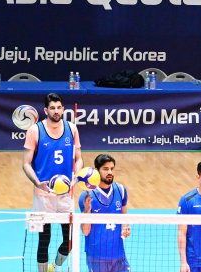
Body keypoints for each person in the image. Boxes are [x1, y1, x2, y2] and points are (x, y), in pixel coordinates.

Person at [22, 93, 83, 272]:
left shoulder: (72, 129)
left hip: (66, 195)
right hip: (43, 195)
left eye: (59, 107)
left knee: (69, 240)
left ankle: (55, 267)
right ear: (46, 110)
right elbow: (26, 164)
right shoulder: (35, 131)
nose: (56, 111)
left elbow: (79, 159)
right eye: (52, 108)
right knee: (44, 240)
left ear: (63, 109)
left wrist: (76, 176)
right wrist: (37, 182)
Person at [78, 154, 131, 272]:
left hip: (119, 255)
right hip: (97, 257)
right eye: (106, 169)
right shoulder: (87, 196)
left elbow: (124, 216)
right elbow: (85, 231)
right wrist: (87, 210)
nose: (110, 172)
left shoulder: (121, 190)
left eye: (112, 169)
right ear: (97, 171)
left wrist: (125, 226)